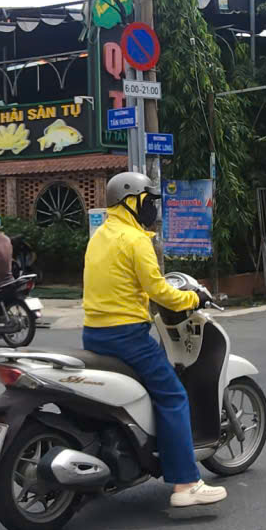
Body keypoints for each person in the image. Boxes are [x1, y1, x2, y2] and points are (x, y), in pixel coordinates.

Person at [82, 171, 226, 509]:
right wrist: (194, 298)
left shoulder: (99, 237)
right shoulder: (135, 240)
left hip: (93, 333)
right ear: (130, 200)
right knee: (173, 395)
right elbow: (160, 291)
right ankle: (186, 483)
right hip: (127, 336)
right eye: (148, 200)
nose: (152, 208)